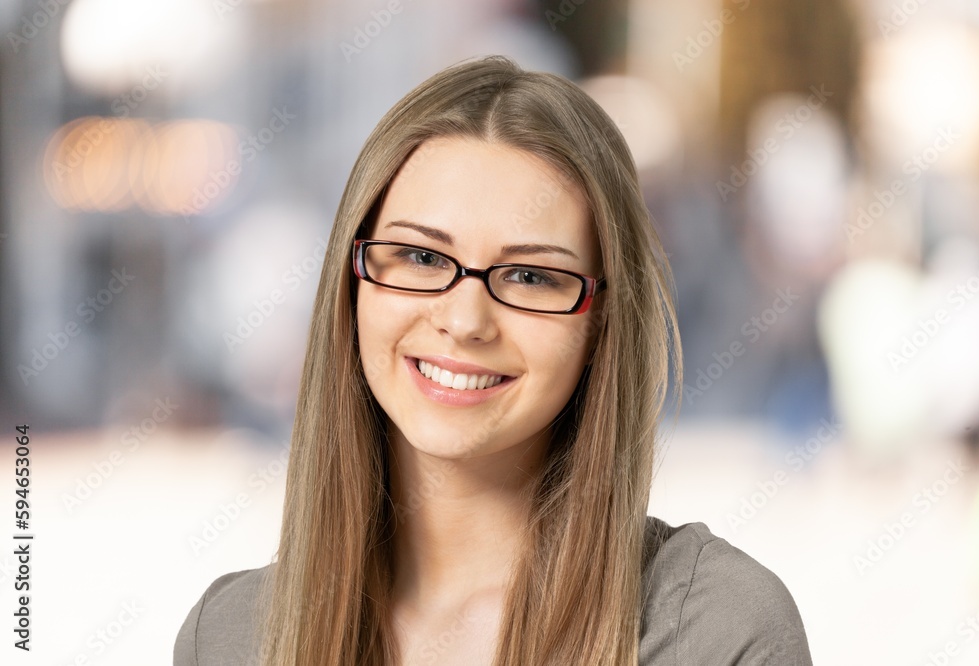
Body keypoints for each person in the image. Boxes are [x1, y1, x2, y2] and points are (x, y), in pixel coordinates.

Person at [174, 55, 812, 665]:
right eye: (421, 258)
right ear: (353, 284)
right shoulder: (229, 638)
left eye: (531, 276)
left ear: (602, 322)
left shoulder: (714, 632)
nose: (465, 321)